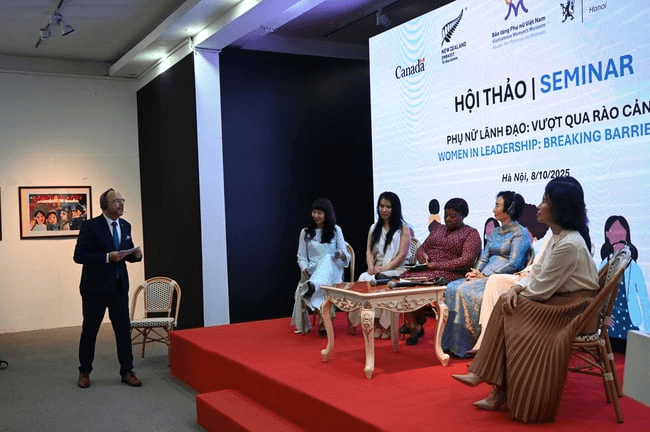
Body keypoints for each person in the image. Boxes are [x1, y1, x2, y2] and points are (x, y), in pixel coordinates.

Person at [452, 176, 599, 423]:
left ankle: (488, 377)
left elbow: (542, 288)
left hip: (574, 309)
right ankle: (494, 385)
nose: (539, 206)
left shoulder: (569, 243)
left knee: (507, 307)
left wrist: (516, 291)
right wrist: (518, 287)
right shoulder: (559, 236)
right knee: (506, 303)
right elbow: (538, 272)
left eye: (545, 201)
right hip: (560, 300)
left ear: (560, 208)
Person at [442, 192, 530, 358]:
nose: (493, 209)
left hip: (501, 278)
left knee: (465, 291)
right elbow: (484, 256)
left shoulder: (520, 233)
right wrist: (475, 271)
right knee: (452, 287)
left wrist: (486, 277)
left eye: (497, 205)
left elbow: (515, 264)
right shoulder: (495, 232)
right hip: (484, 275)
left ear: (509, 209)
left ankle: (473, 343)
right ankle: (452, 343)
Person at [73, 188, 143, 388]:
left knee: (123, 331)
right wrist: (106, 257)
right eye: (116, 201)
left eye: (122, 200)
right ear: (105, 205)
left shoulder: (125, 225)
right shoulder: (90, 226)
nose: (121, 204)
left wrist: (135, 256)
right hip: (94, 289)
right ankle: (84, 371)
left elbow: (124, 253)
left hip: (118, 288)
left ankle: (127, 371)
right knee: (90, 331)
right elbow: (79, 256)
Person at [400, 198, 482, 345]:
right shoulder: (439, 229)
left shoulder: (471, 233)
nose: (448, 219)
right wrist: (422, 256)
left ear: (463, 215)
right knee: (404, 279)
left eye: (452, 216)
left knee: (418, 282)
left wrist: (437, 265)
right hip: (428, 268)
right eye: (446, 216)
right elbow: (421, 248)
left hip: (451, 272)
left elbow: (466, 260)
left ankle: (416, 322)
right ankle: (414, 322)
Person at [349, 192, 411, 338]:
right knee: (364, 277)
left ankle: (389, 326)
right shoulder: (374, 227)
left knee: (385, 280)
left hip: (398, 269)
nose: (384, 210)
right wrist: (371, 266)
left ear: (395, 208)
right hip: (378, 269)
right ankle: (375, 323)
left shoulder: (403, 228)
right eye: (381, 206)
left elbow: (402, 255)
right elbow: (369, 251)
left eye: (388, 207)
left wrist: (384, 268)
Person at [291, 198, 350, 334]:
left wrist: (339, 254)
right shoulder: (305, 232)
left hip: (332, 272)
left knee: (328, 259)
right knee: (321, 279)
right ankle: (325, 317)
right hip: (313, 272)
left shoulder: (336, 230)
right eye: (314, 212)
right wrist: (304, 268)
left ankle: (313, 287)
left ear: (327, 214)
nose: (316, 216)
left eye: (320, 213)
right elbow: (301, 257)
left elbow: (345, 255)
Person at [599, 215, 649, 336]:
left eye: (621, 230)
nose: (618, 234)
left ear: (627, 233)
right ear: (607, 234)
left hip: (630, 323)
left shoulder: (634, 267)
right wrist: (599, 318)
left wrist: (647, 332)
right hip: (608, 325)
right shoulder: (604, 264)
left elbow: (644, 300)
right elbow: (596, 295)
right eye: (614, 230)